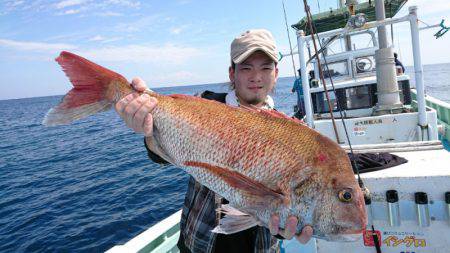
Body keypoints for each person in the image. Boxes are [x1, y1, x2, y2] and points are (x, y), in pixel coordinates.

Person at [115, 29, 313, 253]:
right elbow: (159, 154)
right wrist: (146, 126)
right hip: (199, 243)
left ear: (276, 73)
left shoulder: (294, 134)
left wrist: (283, 226)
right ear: (232, 73)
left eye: (265, 68)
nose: (256, 76)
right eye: (246, 67)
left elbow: (281, 209)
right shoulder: (204, 104)